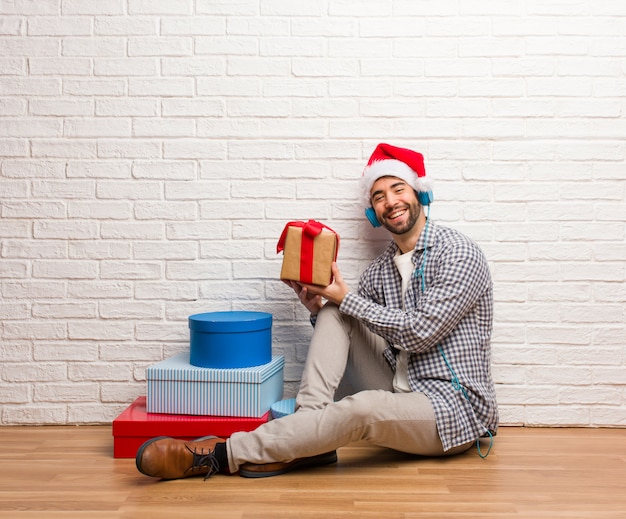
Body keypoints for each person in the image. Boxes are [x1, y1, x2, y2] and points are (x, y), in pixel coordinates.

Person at [135, 143, 499, 481]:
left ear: (420, 192)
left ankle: (218, 454)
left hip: (450, 410)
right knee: (333, 312)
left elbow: (420, 333)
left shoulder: (458, 253)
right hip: (399, 389)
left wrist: (347, 297)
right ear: (374, 213)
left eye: (398, 189)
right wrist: (317, 309)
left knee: (362, 406)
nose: (390, 201)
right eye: (379, 196)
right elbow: (348, 325)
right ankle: (308, 438)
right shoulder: (381, 268)